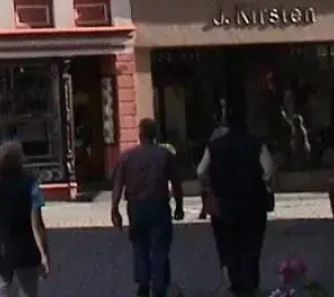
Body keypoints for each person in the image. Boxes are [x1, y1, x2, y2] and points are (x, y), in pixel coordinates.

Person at [198, 103, 274, 297]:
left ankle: (235, 282)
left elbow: (200, 171)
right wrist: (264, 183)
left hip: (224, 203)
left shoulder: (215, 145)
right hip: (253, 201)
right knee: (251, 244)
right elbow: (268, 171)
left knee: (228, 243)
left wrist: (210, 184)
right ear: (245, 122)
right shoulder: (257, 144)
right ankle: (249, 282)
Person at [110, 118, 184, 297]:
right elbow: (176, 183)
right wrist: (179, 206)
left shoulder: (127, 156)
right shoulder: (165, 155)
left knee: (139, 246)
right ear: (155, 134)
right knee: (159, 247)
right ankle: (159, 286)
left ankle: (143, 283)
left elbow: (118, 184)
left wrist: (114, 209)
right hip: (159, 205)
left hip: (136, 208)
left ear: (140, 134)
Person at [0, 140, 51, 296]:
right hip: (25, 248)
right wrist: (44, 254)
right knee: (28, 292)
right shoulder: (30, 187)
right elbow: (37, 225)